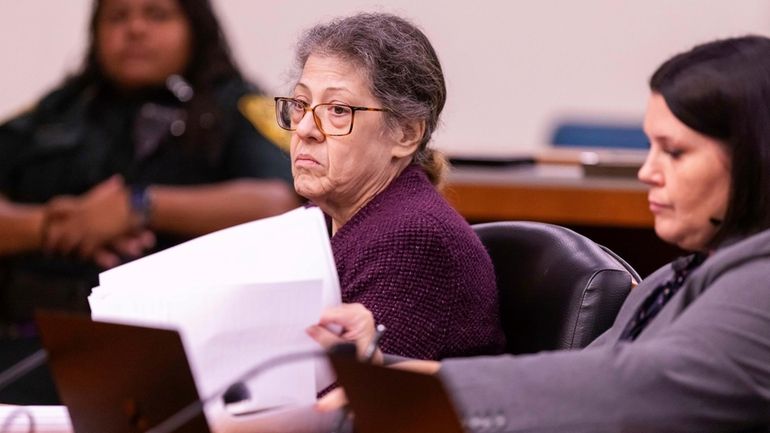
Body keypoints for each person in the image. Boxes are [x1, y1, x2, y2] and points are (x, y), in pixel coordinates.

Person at [309, 35, 770, 432]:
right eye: (651, 148)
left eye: (674, 151)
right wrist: (376, 373)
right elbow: (582, 377)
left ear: (755, 156)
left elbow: (632, 386)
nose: (648, 171)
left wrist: (395, 393)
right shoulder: (672, 278)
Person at [0, 0, 299, 404]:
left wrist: (140, 206)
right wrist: (54, 226)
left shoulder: (235, 106)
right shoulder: (57, 110)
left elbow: (280, 202)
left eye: (156, 14)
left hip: (175, 356)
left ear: (195, 27)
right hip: (31, 342)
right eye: (118, 16)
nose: (135, 29)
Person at [277, 13, 505, 362]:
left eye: (337, 110)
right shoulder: (313, 222)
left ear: (406, 134)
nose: (306, 128)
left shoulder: (414, 239)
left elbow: (350, 404)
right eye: (300, 105)